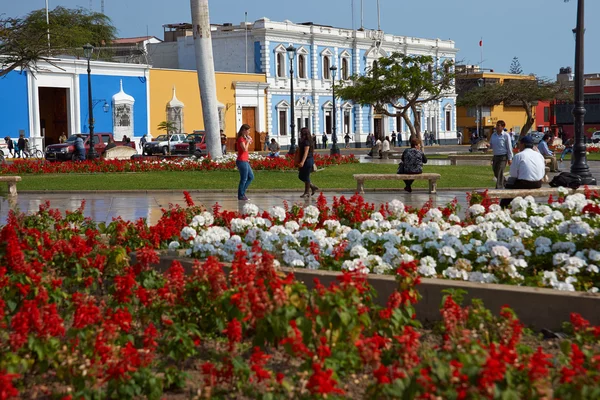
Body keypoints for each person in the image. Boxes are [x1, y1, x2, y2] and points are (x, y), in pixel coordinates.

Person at [500, 135, 546, 207]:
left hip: (524, 184)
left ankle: (504, 206)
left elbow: (513, 174)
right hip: (538, 183)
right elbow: (542, 172)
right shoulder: (539, 155)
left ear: (523, 144)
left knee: (510, 183)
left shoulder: (519, 155)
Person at [488, 120, 513, 189]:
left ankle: (498, 188)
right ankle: (506, 183)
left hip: (503, 156)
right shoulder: (493, 135)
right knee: (495, 172)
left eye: (498, 125)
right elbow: (491, 145)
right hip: (495, 156)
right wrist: (488, 145)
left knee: (500, 171)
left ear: (502, 127)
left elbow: (509, 147)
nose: (497, 127)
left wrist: (510, 158)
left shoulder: (506, 135)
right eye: (497, 125)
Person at [297, 127, 318, 198]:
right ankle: (312, 187)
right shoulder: (303, 141)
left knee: (305, 176)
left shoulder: (307, 141)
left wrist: (302, 162)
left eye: (301, 133)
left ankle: (307, 192)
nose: (300, 134)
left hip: (308, 160)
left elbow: (306, 152)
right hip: (306, 160)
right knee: (301, 176)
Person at [236, 124, 254, 201]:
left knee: (251, 177)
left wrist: (248, 140)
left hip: (245, 160)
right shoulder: (240, 139)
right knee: (244, 179)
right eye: (248, 130)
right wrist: (247, 142)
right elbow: (244, 149)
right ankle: (241, 195)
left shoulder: (244, 138)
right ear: (244, 130)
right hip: (241, 161)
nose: (249, 132)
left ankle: (242, 192)